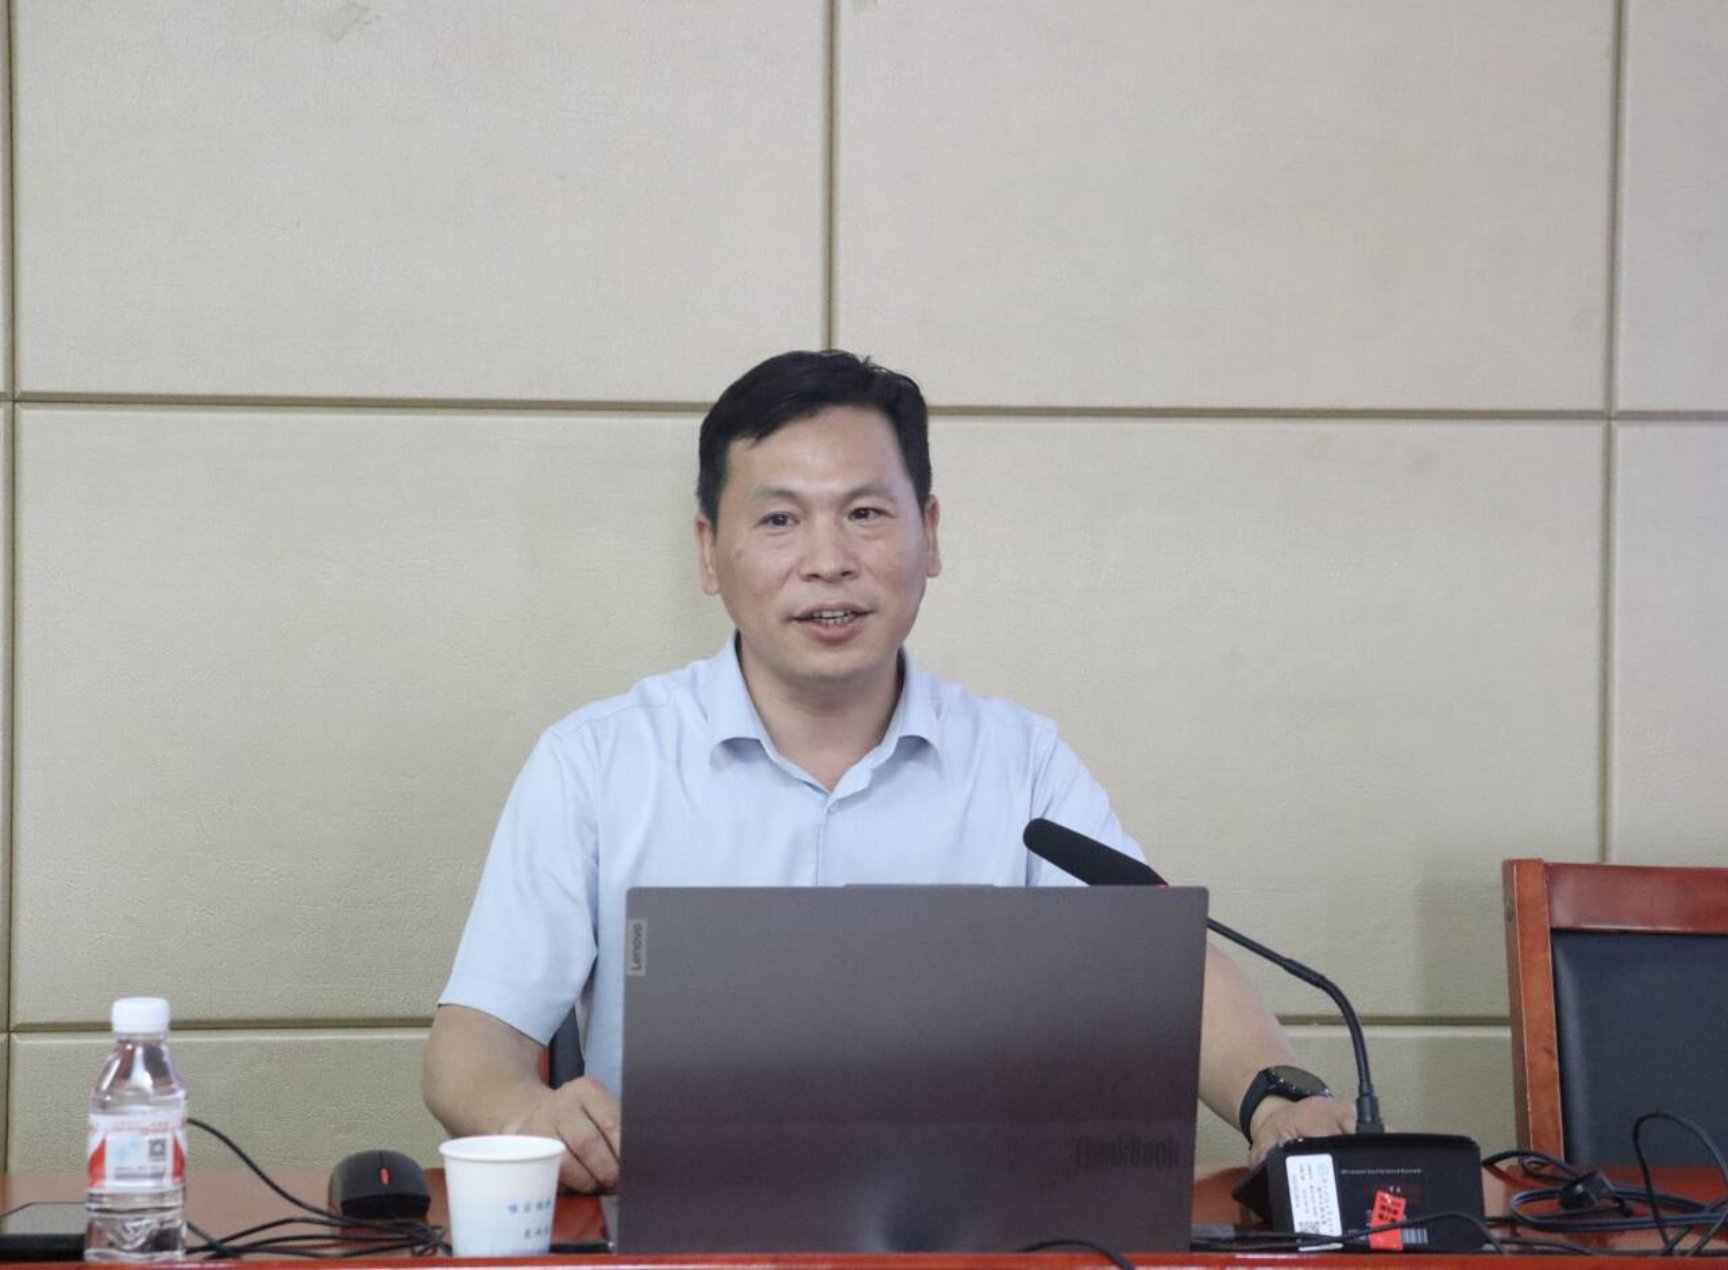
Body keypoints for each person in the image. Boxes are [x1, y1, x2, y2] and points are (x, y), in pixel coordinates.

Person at [422, 349, 1355, 1193]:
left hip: (966, 1240)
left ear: (929, 534)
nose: (828, 562)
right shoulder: (596, 763)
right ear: (709, 551)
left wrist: (1278, 1098)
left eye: (866, 514)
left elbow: (1160, 965)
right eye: (779, 519)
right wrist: (530, 1114)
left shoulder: (1021, 763)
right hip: (682, 1243)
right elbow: (470, 1051)